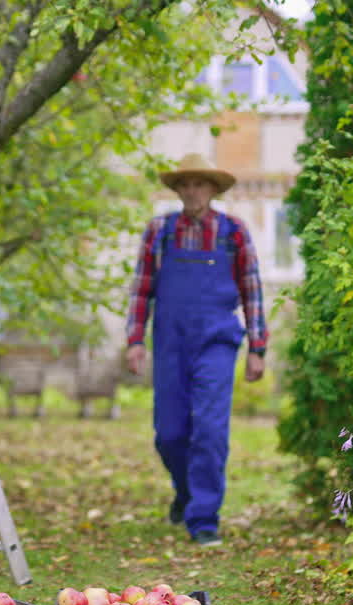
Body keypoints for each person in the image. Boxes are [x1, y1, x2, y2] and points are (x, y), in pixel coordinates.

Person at [124, 153, 268, 547]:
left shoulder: (232, 232)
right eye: (185, 184)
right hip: (170, 342)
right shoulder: (161, 231)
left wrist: (259, 346)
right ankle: (187, 494)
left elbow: (252, 290)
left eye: (199, 184)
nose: (192, 191)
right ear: (177, 189)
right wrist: (135, 340)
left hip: (217, 342)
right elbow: (141, 289)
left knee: (209, 430)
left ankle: (203, 519)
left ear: (212, 188)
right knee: (169, 433)